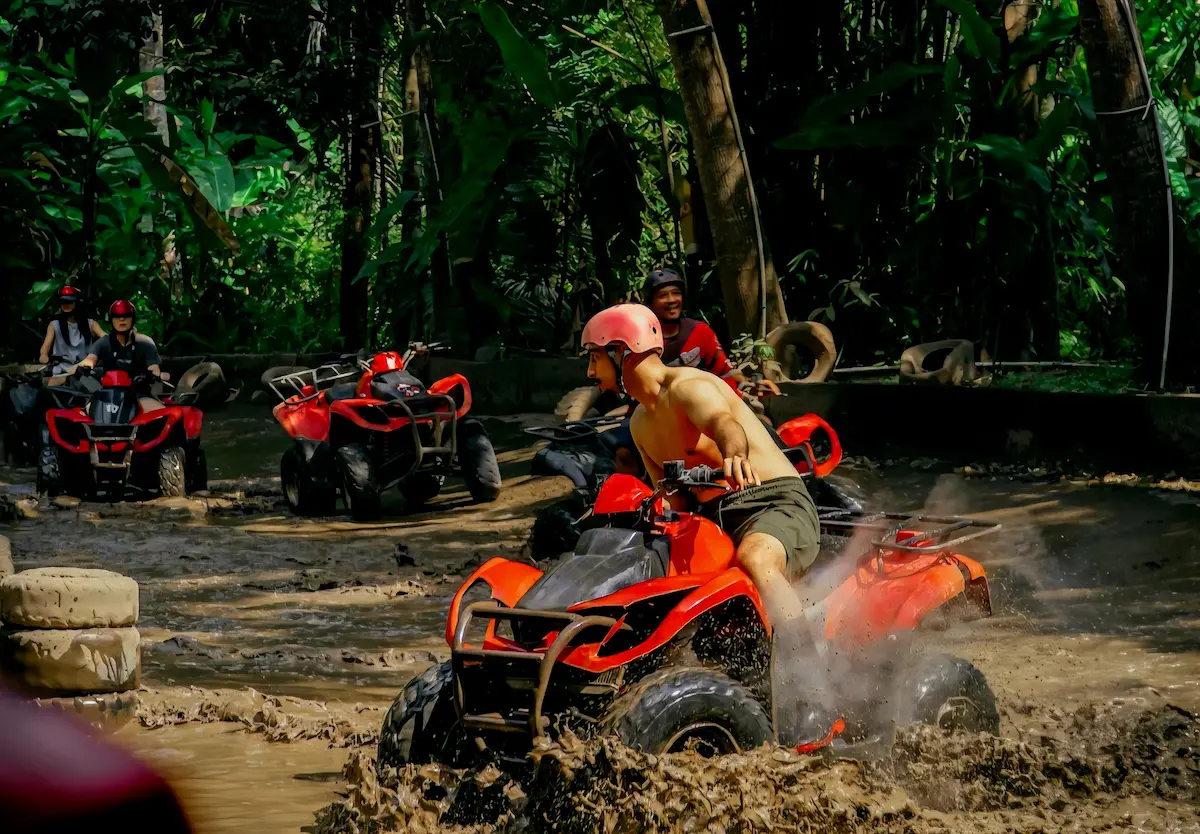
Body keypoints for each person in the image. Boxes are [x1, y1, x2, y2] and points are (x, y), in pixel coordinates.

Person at [581, 303, 833, 747]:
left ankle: (809, 687)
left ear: (623, 352)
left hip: (772, 502)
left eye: (595, 357)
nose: (589, 371)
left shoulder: (690, 386)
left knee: (755, 557)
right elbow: (674, 502)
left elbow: (724, 424)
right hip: (713, 520)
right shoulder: (640, 424)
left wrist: (734, 451)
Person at [642, 267, 781, 400]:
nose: (672, 300)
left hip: (702, 405)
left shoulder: (699, 332)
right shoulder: (641, 339)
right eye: (663, 295)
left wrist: (752, 386)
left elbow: (725, 372)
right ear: (650, 303)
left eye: (676, 293)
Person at [74, 300, 170, 412]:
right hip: (107, 395)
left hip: (139, 394)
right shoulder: (103, 342)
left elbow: (154, 368)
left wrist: (156, 375)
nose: (122, 319)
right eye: (117, 316)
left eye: (126, 316)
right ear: (111, 320)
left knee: (160, 414)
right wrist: (77, 368)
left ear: (133, 318)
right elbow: (90, 360)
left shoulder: (146, 343)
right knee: (83, 413)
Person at [38, 286, 106, 375]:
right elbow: (45, 348)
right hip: (61, 369)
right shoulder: (54, 325)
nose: (66, 305)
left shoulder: (91, 324)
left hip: (84, 370)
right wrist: (44, 356)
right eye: (63, 302)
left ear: (77, 303)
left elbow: (106, 338)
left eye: (69, 302)